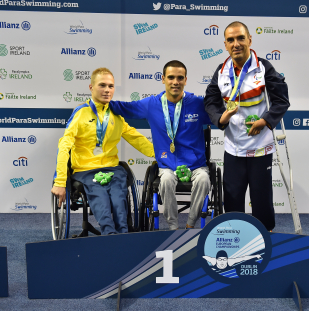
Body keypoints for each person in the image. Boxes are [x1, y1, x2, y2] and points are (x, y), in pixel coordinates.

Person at [204, 21, 290, 231]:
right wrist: (220, 119)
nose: (236, 44)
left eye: (241, 38)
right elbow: (210, 101)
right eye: (231, 40)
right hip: (234, 147)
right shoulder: (222, 71)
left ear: (250, 40)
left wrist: (265, 121)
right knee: (233, 198)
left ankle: (265, 237)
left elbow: (281, 100)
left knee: (261, 198)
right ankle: (237, 236)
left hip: (260, 146)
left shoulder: (263, 68)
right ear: (225, 44)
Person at [51, 68, 155, 234]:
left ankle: (123, 234)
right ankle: (109, 235)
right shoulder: (80, 113)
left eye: (111, 86)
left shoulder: (116, 115)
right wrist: (60, 181)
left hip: (112, 168)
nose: (107, 90)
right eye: (102, 85)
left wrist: (162, 156)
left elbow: (135, 137)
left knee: (119, 197)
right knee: (100, 196)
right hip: (86, 170)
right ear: (91, 87)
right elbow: (64, 146)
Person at [110, 60, 211, 230]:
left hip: (196, 165)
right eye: (171, 77)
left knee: (204, 180)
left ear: (186, 80)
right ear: (163, 79)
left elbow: (219, 117)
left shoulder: (197, 103)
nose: (175, 82)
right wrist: (99, 102)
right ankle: (172, 226)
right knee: (165, 181)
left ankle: (190, 224)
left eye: (180, 78)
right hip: (167, 165)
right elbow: (125, 108)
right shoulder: (151, 104)